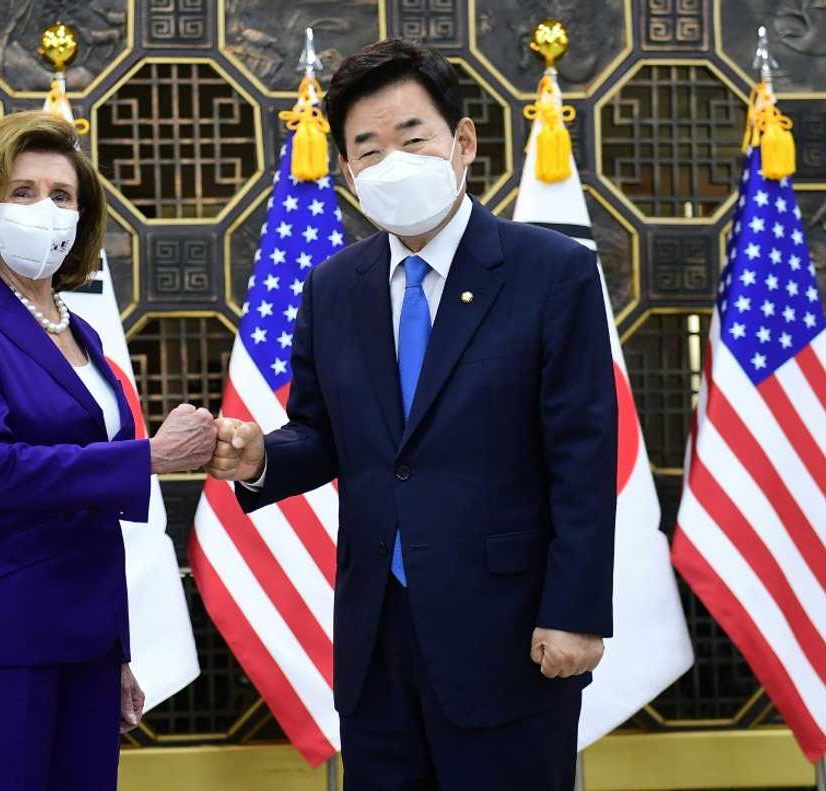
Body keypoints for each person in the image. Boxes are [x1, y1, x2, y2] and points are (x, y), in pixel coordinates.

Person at [208, 39, 617, 790]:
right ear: (347, 173)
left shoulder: (550, 271)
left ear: (463, 142)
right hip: (377, 642)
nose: (391, 161)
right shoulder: (333, 287)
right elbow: (322, 434)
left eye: (412, 137)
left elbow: (584, 455)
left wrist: (577, 611)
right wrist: (260, 456)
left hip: (509, 635)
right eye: (368, 148)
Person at [0, 111, 217, 791]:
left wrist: (115, 649)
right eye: (22, 192)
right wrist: (148, 457)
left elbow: (88, 505)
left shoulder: (84, 336)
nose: (44, 208)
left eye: (61, 195)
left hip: (84, 637)